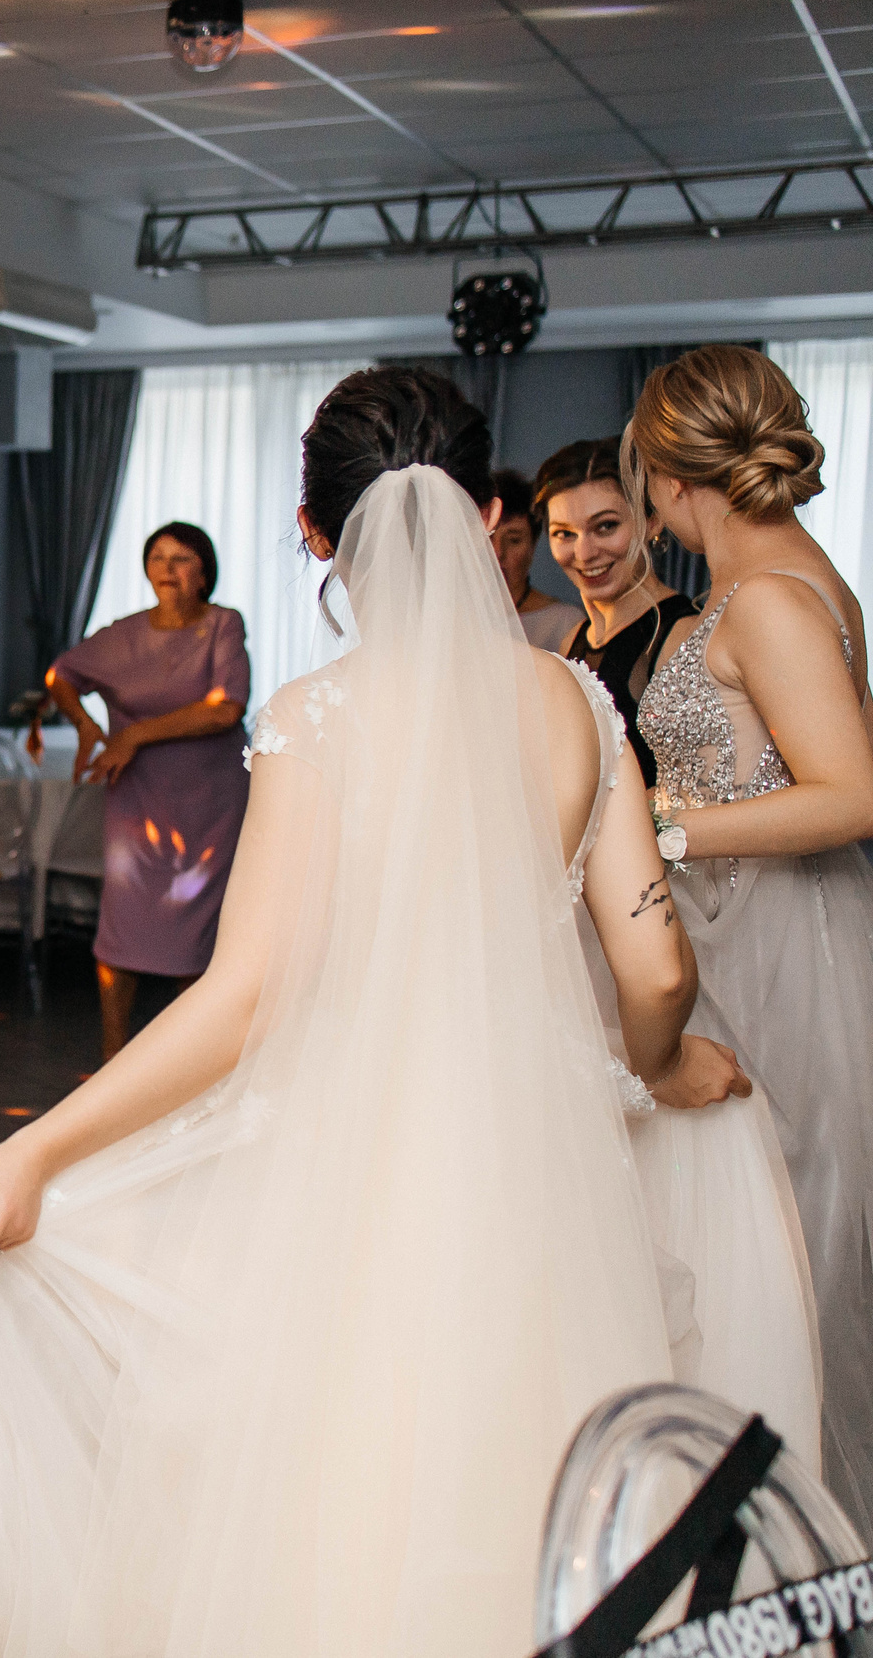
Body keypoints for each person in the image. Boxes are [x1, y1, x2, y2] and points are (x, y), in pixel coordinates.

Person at [0, 366, 758, 1658]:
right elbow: (657, 972)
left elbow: (239, 999)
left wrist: (36, 1147)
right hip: (543, 1159)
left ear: (318, 534)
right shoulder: (576, 704)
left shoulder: (316, 718)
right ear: (485, 519)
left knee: (335, 1467)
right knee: (524, 1455)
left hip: (343, 1163)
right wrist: (666, 1066)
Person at [634, 343, 873, 1532]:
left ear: (672, 477)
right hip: (734, 930)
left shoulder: (774, 595)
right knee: (745, 1244)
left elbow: (850, 792)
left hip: (787, 949)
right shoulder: (767, 580)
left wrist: (667, 830)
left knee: (794, 1254)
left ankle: (800, 1542)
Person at [46, 523, 249, 1061]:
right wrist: (88, 727)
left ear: (204, 571)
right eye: (157, 557)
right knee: (123, 923)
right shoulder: (123, 635)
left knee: (200, 928)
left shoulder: (222, 626)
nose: (167, 567)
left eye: (181, 558)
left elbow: (227, 707)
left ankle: (194, 1059)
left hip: (212, 802)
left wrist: (134, 732)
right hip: (138, 801)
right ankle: (115, 1057)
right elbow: (60, 675)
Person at [539, 438, 699, 787]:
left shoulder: (681, 632)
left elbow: (693, 787)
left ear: (652, 520)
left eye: (605, 526)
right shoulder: (574, 640)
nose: (584, 552)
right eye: (563, 533)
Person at [492, 465, 582, 649]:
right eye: (488, 538)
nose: (498, 552)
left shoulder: (565, 622)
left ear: (533, 545)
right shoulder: (451, 616)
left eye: (514, 540)